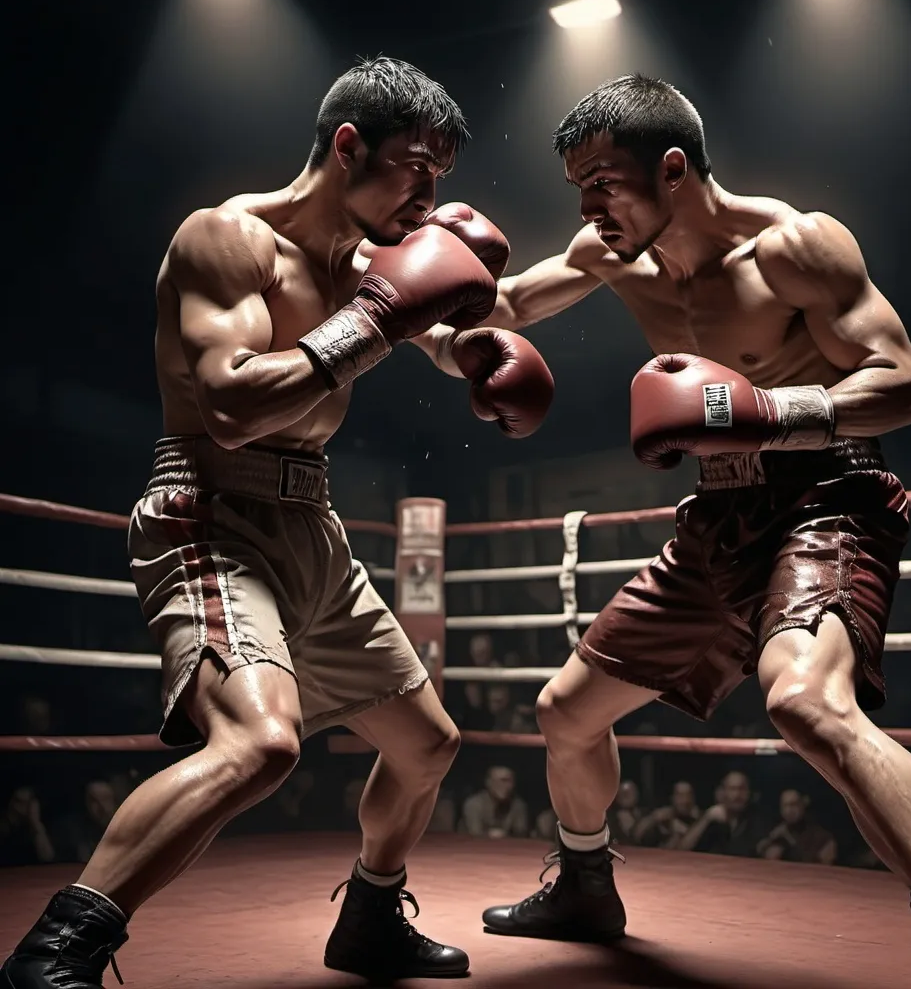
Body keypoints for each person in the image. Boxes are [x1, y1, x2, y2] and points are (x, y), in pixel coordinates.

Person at [439, 74, 911, 988]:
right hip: (718, 518)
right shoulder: (609, 256)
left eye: (602, 181)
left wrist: (765, 410)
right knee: (565, 713)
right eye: (577, 189)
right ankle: (587, 886)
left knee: (803, 701)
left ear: (672, 169)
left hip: (826, 497)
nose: (588, 209)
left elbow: (905, 384)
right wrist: (383, 282)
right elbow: (502, 307)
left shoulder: (795, 247)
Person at [1, 56, 555, 988]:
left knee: (428, 745)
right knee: (260, 744)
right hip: (211, 513)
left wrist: (485, 355)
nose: (428, 196)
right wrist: (381, 317)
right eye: (416, 167)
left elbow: (442, 330)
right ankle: (57, 949)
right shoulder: (228, 239)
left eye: (442, 180)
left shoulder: (366, 262)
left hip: (313, 523)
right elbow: (230, 403)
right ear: (347, 146)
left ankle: (371, 917)